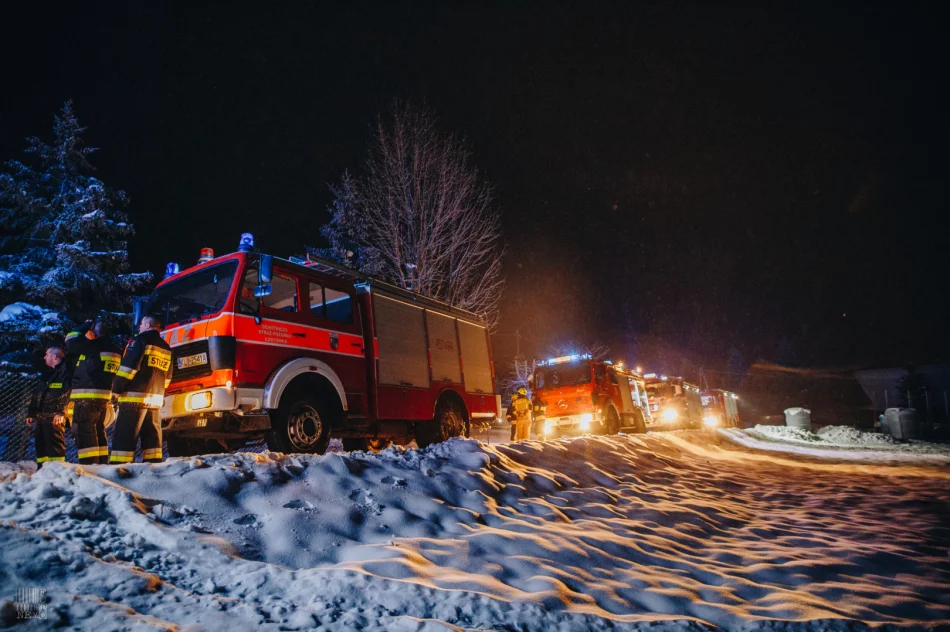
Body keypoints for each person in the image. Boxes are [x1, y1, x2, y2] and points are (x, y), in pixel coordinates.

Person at [110, 315, 173, 464]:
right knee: (152, 436)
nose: (139, 327)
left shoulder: (140, 341)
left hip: (134, 398)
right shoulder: (166, 347)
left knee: (125, 435)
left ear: (148, 325)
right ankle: (153, 466)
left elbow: (128, 367)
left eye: (142, 323)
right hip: (155, 400)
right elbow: (168, 377)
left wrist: (117, 389)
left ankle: (120, 468)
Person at [66, 320, 121, 464]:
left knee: (84, 429)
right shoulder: (115, 349)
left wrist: (84, 326)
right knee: (98, 429)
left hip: (87, 395)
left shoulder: (91, 346)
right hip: (104, 397)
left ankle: (89, 464)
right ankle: (101, 462)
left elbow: (70, 340)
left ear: (93, 334)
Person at [26, 346, 71, 468]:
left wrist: (61, 412)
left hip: (54, 417)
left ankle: (57, 470)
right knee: (40, 445)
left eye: (47, 354)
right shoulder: (47, 373)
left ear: (54, 357)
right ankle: (42, 470)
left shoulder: (65, 373)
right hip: (41, 416)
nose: (44, 357)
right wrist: (31, 412)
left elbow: (68, 394)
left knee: (54, 446)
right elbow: (37, 394)